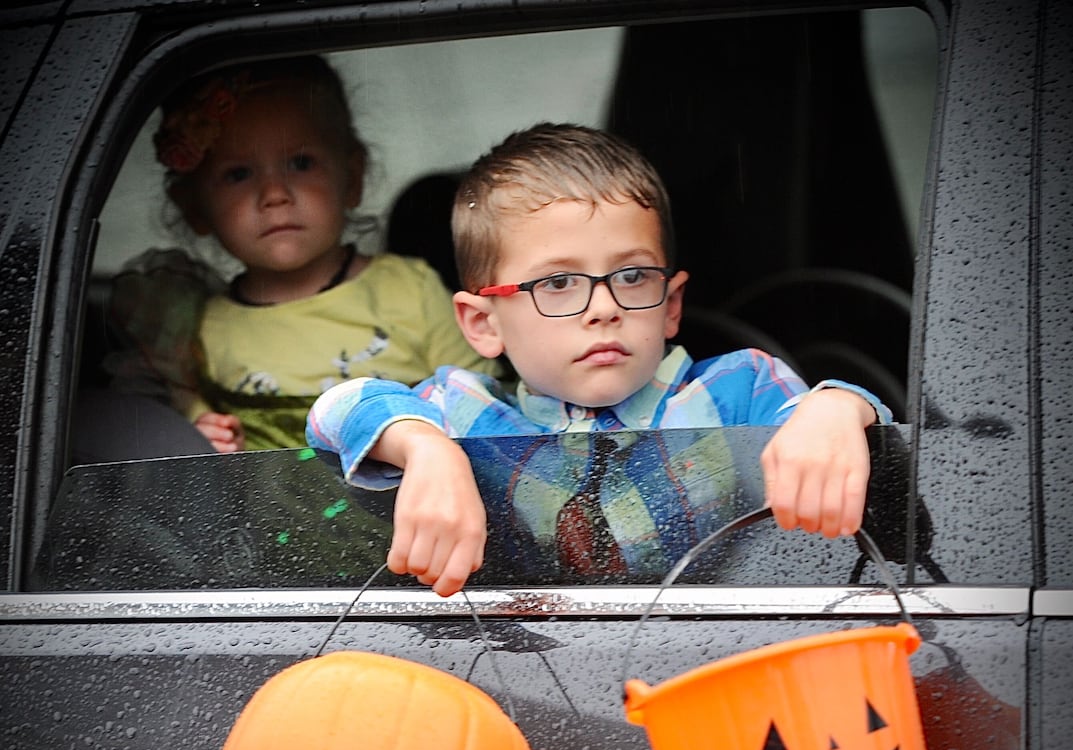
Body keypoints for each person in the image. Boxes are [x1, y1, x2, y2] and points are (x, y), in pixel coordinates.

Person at [306, 123, 891, 597]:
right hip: (533, 673)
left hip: (719, 656)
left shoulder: (736, 389)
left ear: (671, 304)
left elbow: (839, 429)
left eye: (632, 276)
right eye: (557, 282)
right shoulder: (466, 414)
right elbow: (334, 411)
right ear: (483, 323)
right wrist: (425, 449)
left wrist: (837, 409)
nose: (605, 307)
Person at [106, 54, 501, 455]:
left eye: (301, 162)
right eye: (239, 174)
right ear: (194, 206)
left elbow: (484, 411)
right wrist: (207, 436)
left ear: (352, 176)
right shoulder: (199, 329)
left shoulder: (409, 288)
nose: (274, 194)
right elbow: (193, 433)